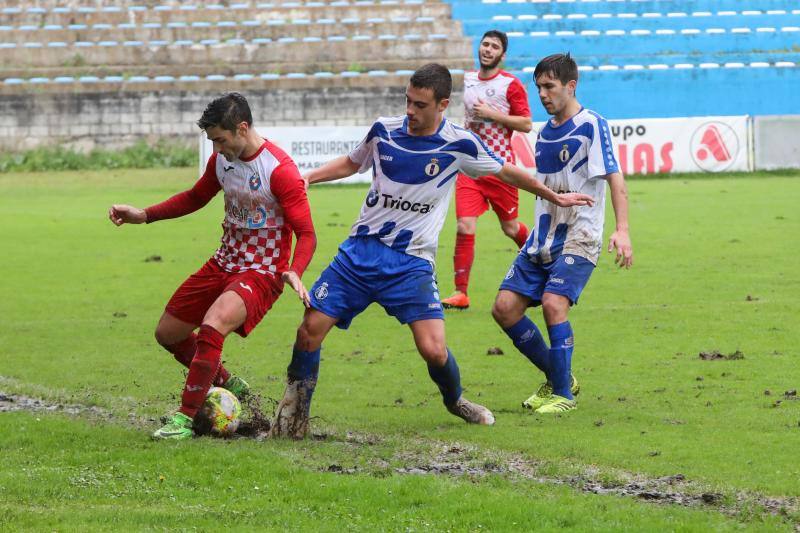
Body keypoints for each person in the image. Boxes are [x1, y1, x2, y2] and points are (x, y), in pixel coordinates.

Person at [267, 64, 593, 438]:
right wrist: (310, 177)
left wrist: (552, 195)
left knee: (435, 351)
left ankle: (456, 401)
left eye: (419, 104)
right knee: (309, 331)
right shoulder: (383, 130)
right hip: (357, 256)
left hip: (411, 266)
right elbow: (352, 162)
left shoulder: (459, 143)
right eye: (407, 101)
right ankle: (295, 417)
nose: (410, 111)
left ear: (442, 104)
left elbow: (506, 172)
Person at [108, 92, 316, 440]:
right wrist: (144, 215)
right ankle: (224, 380)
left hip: (262, 271)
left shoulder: (280, 171)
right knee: (168, 334)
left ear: (242, 128)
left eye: (220, 140)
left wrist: (294, 269)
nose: (217, 149)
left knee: (213, 325)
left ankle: (185, 418)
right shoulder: (221, 161)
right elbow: (195, 197)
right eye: (212, 142)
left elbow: (307, 233)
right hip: (224, 261)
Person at [491, 53, 633, 414]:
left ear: (571, 86)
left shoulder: (591, 125)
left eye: (549, 86)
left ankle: (563, 397)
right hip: (542, 240)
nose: (542, 94)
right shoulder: (543, 133)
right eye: (538, 87)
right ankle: (559, 378)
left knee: (554, 304)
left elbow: (615, 177)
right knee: (504, 309)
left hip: (579, 238)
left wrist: (622, 229)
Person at [442, 29, 533, 310]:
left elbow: (526, 124)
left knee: (509, 228)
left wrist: (493, 115)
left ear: (502, 55)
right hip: (470, 168)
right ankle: (461, 292)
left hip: (500, 168)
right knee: (464, 224)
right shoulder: (468, 79)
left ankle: (542, 259)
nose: (488, 49)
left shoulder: (510, 84)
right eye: (485, 44)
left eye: (494, 46)